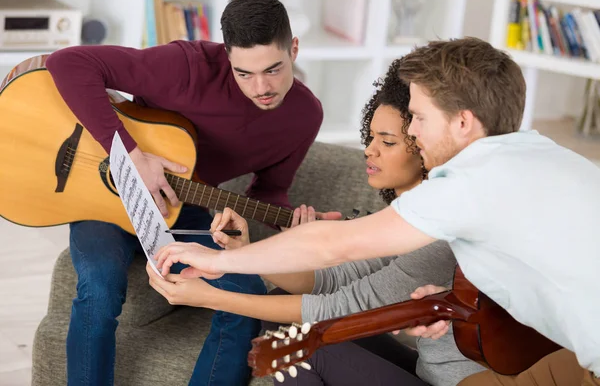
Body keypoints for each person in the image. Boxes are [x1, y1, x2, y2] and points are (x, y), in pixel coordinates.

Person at [154, 37, 600, 386]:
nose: (415, 133)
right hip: (573, 358)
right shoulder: (543, 154)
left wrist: (217, 263)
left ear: (463, 123)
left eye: (421, 117)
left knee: (308, 346)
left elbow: (335, 246)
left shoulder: (469, 183)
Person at [44, 0, 341, 386]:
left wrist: (290, 226)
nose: (261, 87)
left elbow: (269, 193)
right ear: (226, 56)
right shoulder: (184, 66)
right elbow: (67, 62)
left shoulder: (305, 116)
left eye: (273, 69)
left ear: (295, 50)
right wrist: (132, 155)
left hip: (187, 209)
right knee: (99, 287)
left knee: (246, 291)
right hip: (106, 202)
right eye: (244, 73)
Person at [146, 59, 485, 386]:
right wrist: (246, 253)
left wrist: (208, 296)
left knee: (296, 349)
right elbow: (334, 280)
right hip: (427, 372)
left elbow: (341, 305)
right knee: (283, 315)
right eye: (371, 138)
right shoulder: (406, 217)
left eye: (388, 141)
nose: (369, 150)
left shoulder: (439, 232)